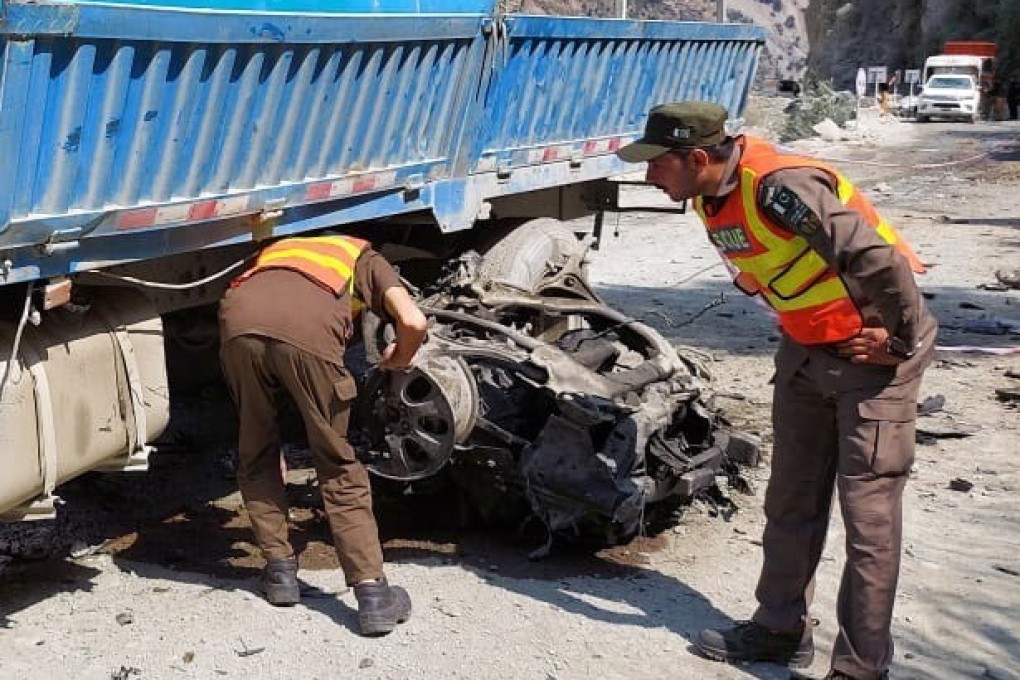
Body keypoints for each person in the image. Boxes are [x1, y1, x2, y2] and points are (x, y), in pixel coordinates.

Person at [616, 101, 937, 680]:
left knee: (869, 521)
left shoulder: (779, 186)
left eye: (657, 165)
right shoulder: (705, 190)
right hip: (807, 350)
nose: (648, 176)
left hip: (873, 348)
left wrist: (902, 339)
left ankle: (861, 669)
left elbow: (876, 259)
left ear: (696, 157)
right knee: (790, 499)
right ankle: (778, 630)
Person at [219, 233, 428, 636]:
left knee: (257, 448)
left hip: (238, 322)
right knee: (335, 460)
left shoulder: (281, 250)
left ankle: (280, 573)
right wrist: (399, 357)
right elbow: (413, 321)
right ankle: (373, 596)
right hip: (306, 332)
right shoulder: (364, 255)